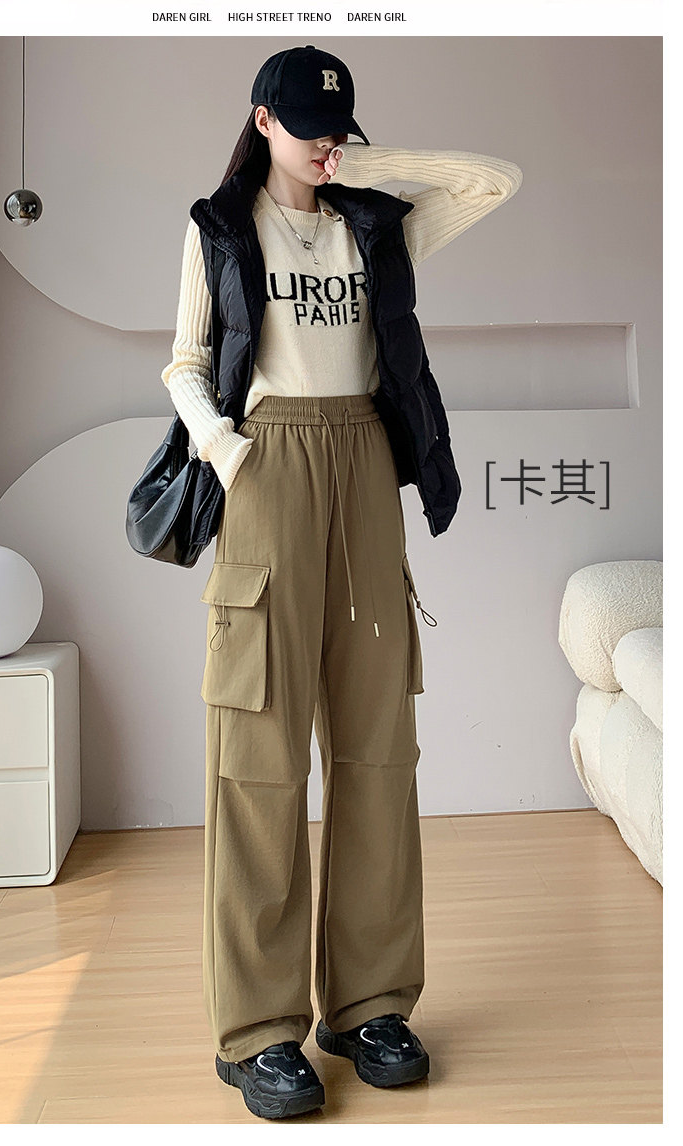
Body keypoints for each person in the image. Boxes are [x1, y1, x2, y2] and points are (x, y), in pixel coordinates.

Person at [161, 44, 523, 1120]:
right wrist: (227, 452)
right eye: (303, 123)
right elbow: (185, 361)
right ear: (260, 120)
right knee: (258, 756)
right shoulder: (221, 228)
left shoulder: (375, 223)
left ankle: (368, 1006)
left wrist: (364, 163)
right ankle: (259, 1031)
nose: (323, 139)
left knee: (377, 748)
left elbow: (492, 181)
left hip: (364, 462)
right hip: (266, 465)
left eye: (336, 123)